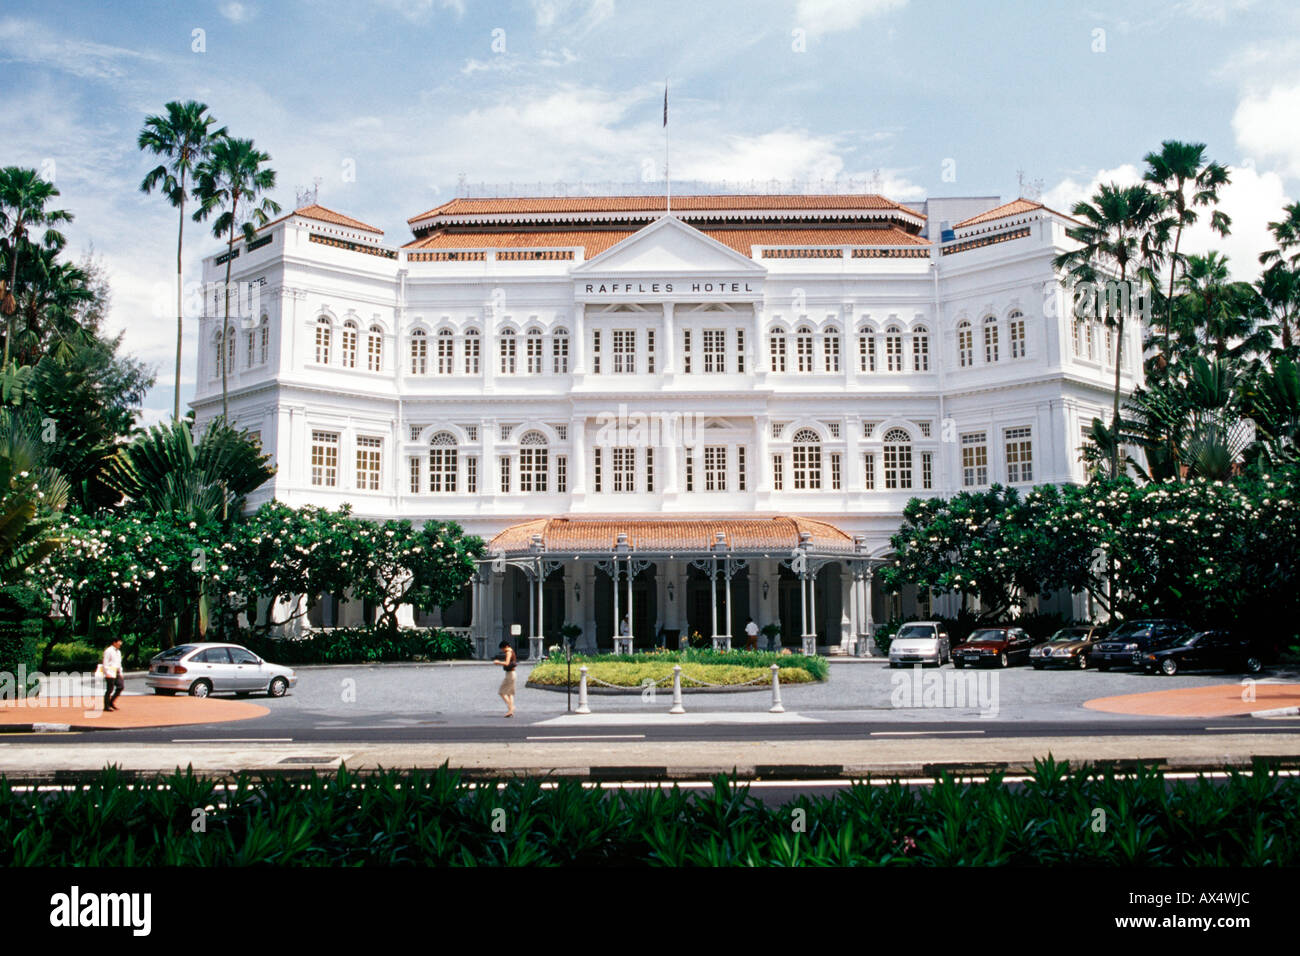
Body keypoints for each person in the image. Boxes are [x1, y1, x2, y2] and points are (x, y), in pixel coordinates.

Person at [493, 640, 517, 717]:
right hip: (513, 673)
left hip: (510, 674)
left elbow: (507, 663)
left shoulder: (508, 652)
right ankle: (511, 710)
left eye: (502, 648)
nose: (502, 650)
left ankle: (511, 707)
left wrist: (498, 662)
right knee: (510, 693)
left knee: (501, 692)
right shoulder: (512, 651)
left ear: (506, 647)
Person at [102, 637, 124, 712]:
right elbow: (105, 663)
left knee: (120, 687)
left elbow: (119, 663)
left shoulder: (118, 652)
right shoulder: (108, 651)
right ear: (114, 642)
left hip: (117, 671)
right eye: (119, 642)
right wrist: (107, 673)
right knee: (109, 689)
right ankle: (106, 706)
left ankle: (111, 702)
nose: (120, 643)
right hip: (110, 672)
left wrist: (120, 672)